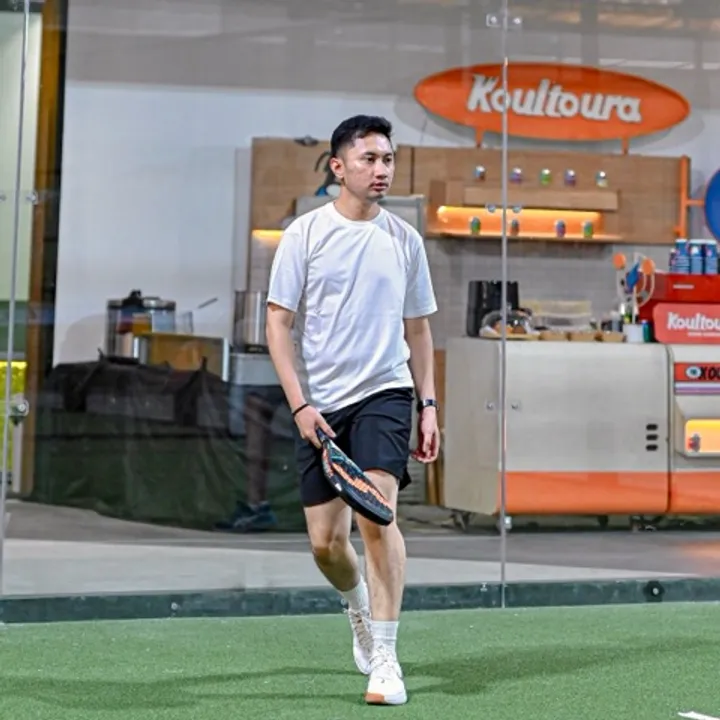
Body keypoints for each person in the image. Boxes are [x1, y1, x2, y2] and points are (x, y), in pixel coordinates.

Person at [265, 114, 440, 706]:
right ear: (339, 167)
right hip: (320, 405)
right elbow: (278, 324)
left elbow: (419, 330)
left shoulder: (405, 240)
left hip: (384, 393)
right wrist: (300, 406)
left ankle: (386, 658)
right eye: (369, 159)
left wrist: (427, 405)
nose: (381, 169)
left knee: (377, 514)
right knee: (325, 545)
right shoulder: (305, 235)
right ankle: (358, 606)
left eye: (387, 159)